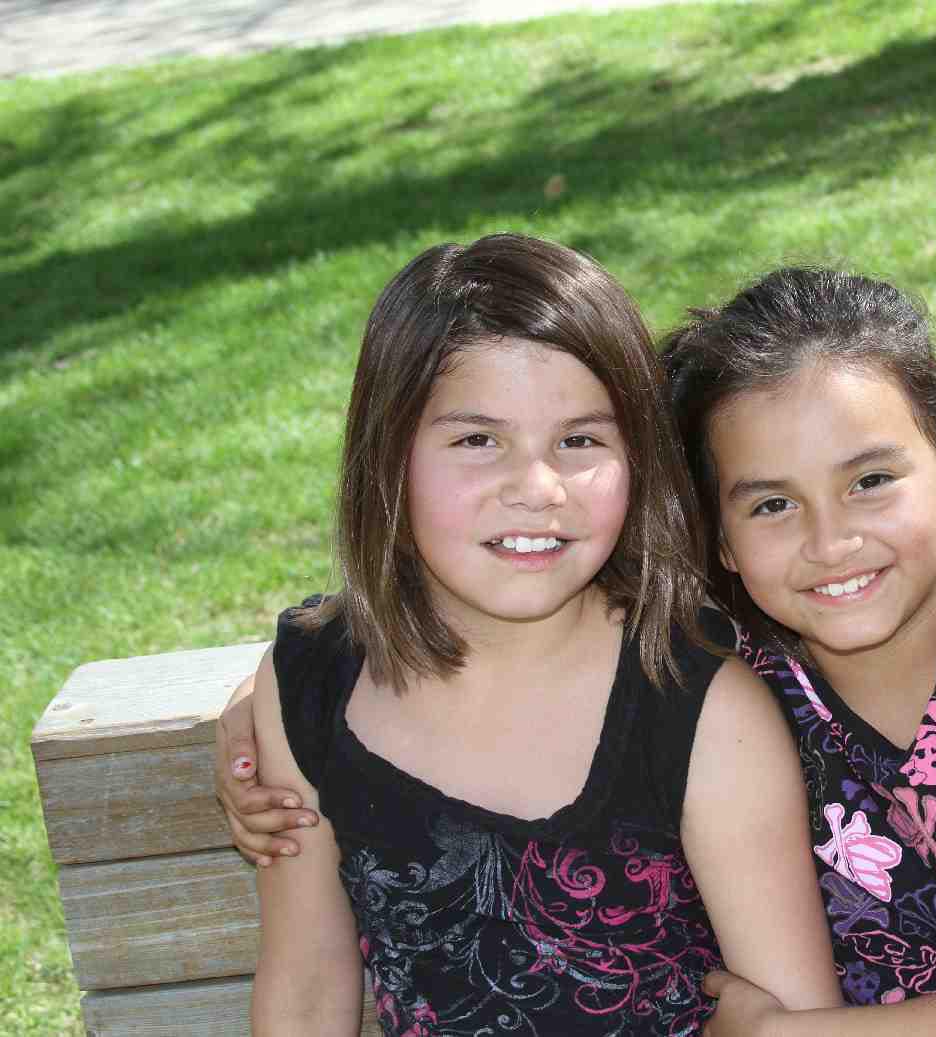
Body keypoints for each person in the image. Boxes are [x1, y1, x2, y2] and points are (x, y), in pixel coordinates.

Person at [221, 264, 936, 1036]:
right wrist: (257, 723)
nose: (830, 541)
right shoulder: (732, 657)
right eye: (772, 502)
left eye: (872, 479)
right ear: (717, 530)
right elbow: (433, 654)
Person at [235, 235, 840, 1036]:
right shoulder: (315, 682)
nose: (535, 488)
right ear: (388, 456)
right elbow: (307, 986)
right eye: (476, 440)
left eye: (581, 440)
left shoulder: (695, 703)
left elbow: (794, 1018)